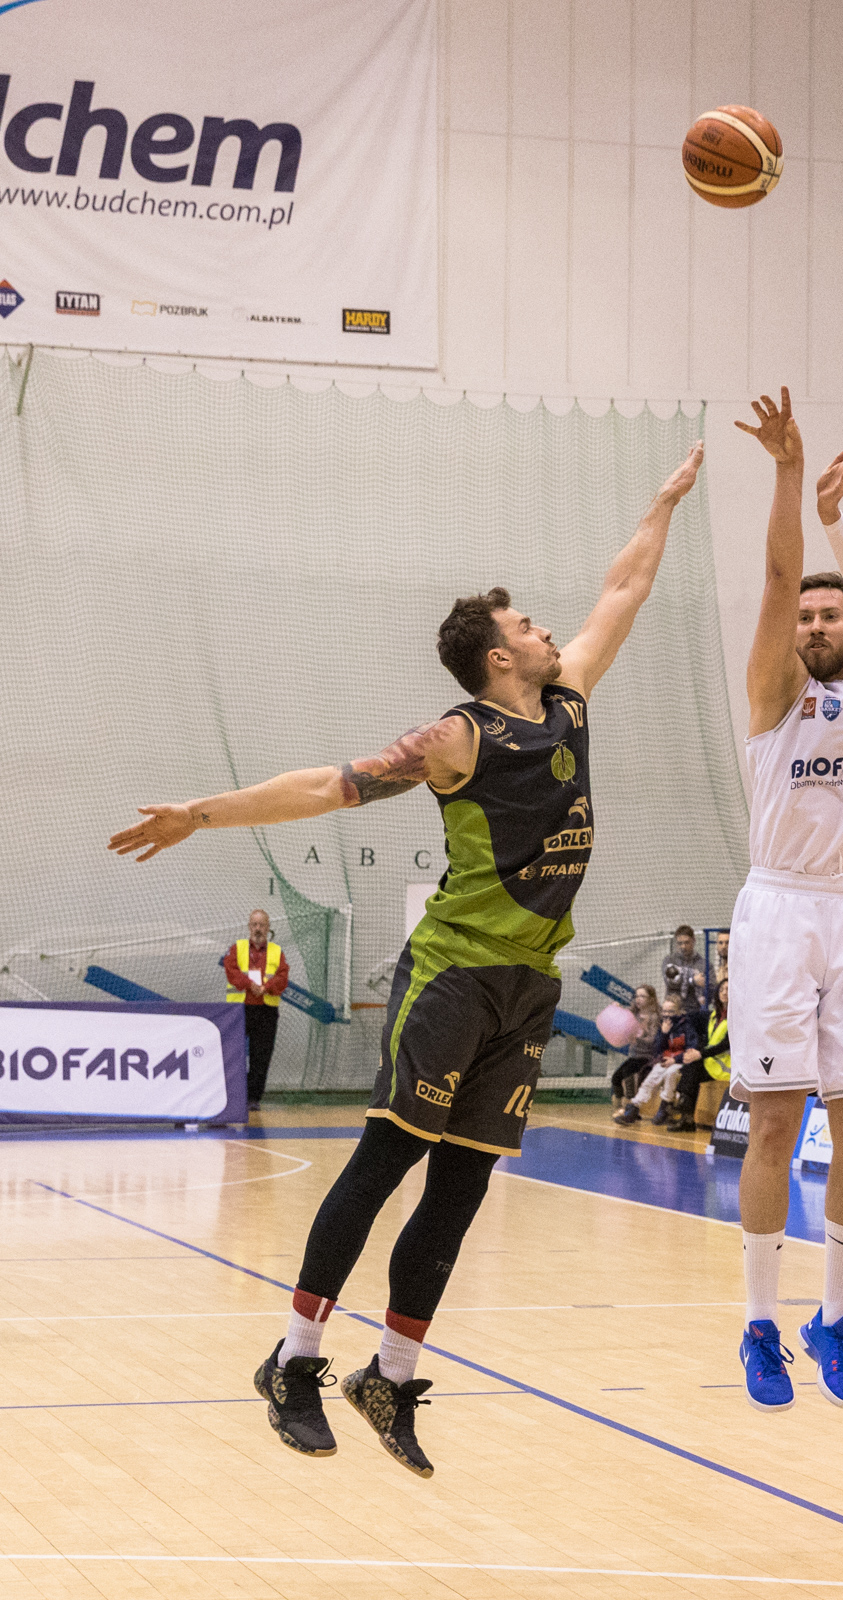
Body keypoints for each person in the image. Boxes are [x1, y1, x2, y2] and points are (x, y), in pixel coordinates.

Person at [107, 439, 705, 1476]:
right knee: (388, 1157)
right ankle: (294, 1360)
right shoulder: (452, 738)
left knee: (463, 1184)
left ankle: (389, 1371)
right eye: (527, 624)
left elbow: (623, 587)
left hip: (528, 982)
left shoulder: (568, 700)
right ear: (497, 657)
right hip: (453, 973)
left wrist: (661, 502)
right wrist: (202, 816)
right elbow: (321, 786)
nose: (549, 626)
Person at [729, 388, 843, 1413]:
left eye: (827, 610)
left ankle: (834, 1321)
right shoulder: (769, 690)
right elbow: (774, 573)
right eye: (805, 612)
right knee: (771, 1125)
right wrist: (791, 478)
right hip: (780, 912)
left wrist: (841, 519)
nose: (813, 618)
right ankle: (758, 1323)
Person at [223, 910, 290, 1112]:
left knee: (261, 1055)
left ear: (268, 928)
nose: (258, 929)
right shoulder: (237, 948)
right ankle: (232, 1095)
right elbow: (231, 969)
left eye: (262, 925)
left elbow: (282, 976)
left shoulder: (277, 952)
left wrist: (266, 987)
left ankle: (253, 1098)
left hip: (266, 1010)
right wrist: (249, 984)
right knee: (234, 1053)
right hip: (239, 1009)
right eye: (254, 924)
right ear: (249, 926)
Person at [613, 994, 701, 1125]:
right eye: (664, 1011)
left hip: (681, 1061)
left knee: (671, 1074)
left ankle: (665, 1106)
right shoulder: (663, 1026)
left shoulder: (686, 1026)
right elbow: (658, 1049)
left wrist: (676, 1059)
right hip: (665, 1060)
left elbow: (692, 1048)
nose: (667, 1014)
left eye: (671, 1011)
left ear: (679, 1011)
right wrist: (664, 1034)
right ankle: (633, 1109)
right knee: (651, 1079)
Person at [670, 977, 730, 1132]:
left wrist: (699, 1054)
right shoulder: (713, 1015)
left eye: (728, 989)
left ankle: (683, 1109)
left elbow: (725, 1045)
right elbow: (689, 1018)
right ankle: (686, 1116)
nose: (724, 993)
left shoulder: (737, 1017)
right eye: (722, 989)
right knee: (691, 1066)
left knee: (694, 1065)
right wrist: (695, 1049)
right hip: (713, 1063)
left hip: (728, 1067)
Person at [609, 984, 660, 1111]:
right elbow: (622, 1017)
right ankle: (620, 1104)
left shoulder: (655, 1017)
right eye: (637, 996)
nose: (638, 999)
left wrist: (639, 1035)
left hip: (647, 1056)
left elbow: (653, 1039)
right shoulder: (633, 1013)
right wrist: (617, 1008)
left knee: (628, 1074)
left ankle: (630, 1107)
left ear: (651, 999)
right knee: (615, 1078)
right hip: (634, 1055)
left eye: (642, 996)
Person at [662, 925, 707, 1018]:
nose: (683, 946)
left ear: (694, 941)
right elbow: (670, 982)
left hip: (694, 1012)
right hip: (672, 1011)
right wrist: (693, 981)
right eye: (680, 943)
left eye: (687, 942)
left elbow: (710, 985)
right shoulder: (669, 961)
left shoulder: (703, 964)